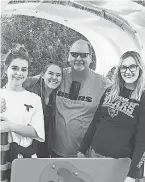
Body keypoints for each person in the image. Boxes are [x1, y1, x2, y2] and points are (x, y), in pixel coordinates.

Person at [77, 51, 145, 182]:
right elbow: (95, 123)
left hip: (120, 163)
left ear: (139, 68)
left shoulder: (143, 98)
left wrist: (132, 174)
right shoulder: (110, 91)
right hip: (94, 155)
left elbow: (142, 140)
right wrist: (82, 149)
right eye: (124, 67)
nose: (128, 71)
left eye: (132, 66)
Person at [52, 39, 109, 157]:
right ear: (68, 57)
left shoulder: (103, 83)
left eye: (84, 55)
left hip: (84, 155)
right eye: (74, 54)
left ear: (91, 58)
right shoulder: (58, 76)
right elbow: (35, 81)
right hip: (55, 152)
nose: (78, 58)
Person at [0, 45, 45, 179]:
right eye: (14, 68)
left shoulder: (34, 99)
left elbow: (36, 132)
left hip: (23, 160)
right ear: (6, 69)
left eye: (24, 69)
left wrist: (10, 126)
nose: (19, 73)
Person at [24, 60, 63, 157]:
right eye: (50, 73)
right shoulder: (31, 94)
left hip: (44, 149)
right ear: (42, 75)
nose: (54, 77)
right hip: (27, 148)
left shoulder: (56, 97)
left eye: (58, 75)